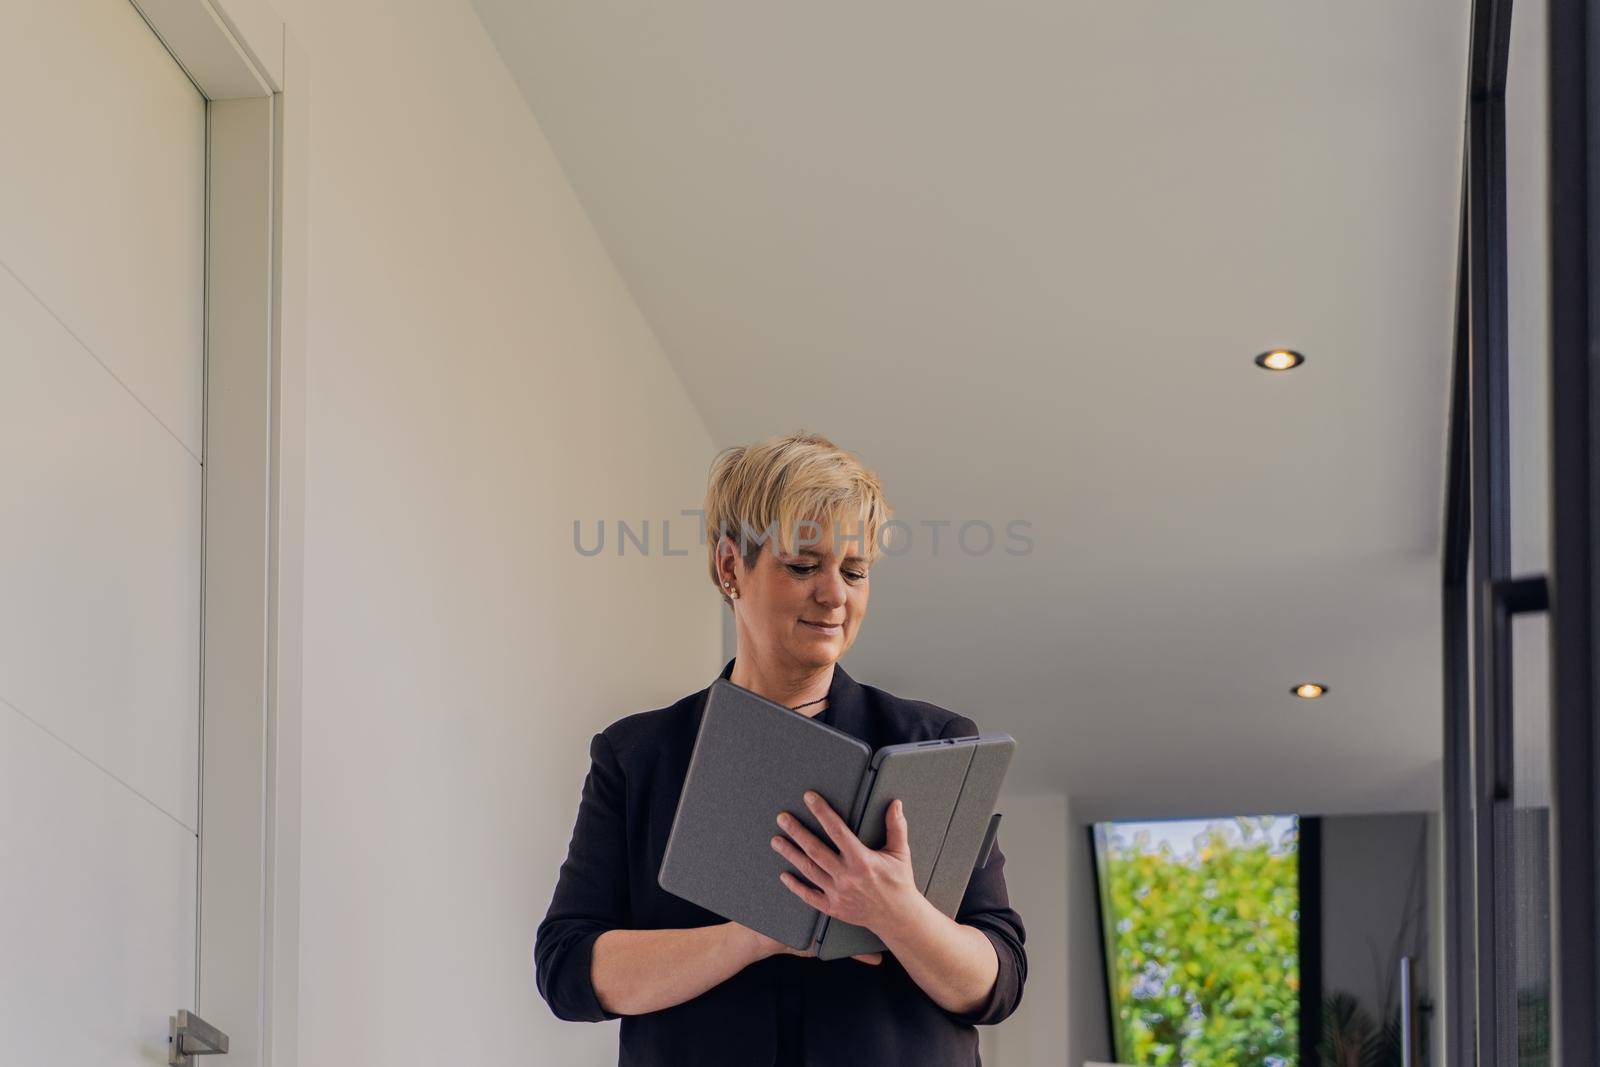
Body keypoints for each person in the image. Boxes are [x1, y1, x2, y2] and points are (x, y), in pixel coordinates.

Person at [534, 431, 1026, 1065]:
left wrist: (897, 912)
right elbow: (567, 970)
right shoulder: (638, 757)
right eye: (802, 566)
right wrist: (751, 937)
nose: (835, 595)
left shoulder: (936, 743)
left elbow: (999, 979)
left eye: (855, 571)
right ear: (729, 567)